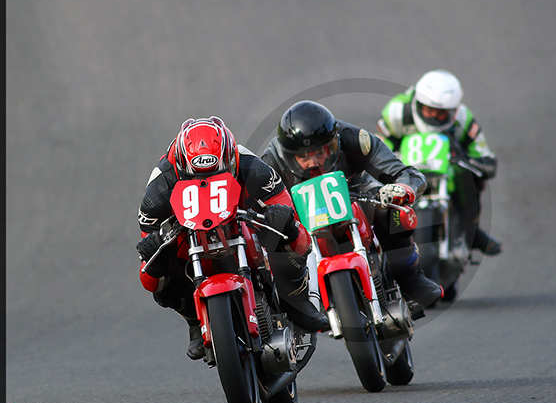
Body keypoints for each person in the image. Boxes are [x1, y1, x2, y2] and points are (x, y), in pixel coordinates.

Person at [136, 116, 329, 360]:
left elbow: (296, 226)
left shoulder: (253, 168)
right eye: (196, 176)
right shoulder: (159, 188)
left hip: (240, 216)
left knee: (290, 233)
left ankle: (296, 299)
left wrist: (283, 221)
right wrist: (156, 247)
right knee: (154, 275)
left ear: (230, 159)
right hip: (189, 234)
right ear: (181, 167)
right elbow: (147, 251)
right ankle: (194, 321)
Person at [261, 100, 443, 309]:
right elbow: (257, 204)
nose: (313, 163)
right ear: (289, 155)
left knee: (395, 214)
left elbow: (404, 172)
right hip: (300, 212)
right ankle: (295, 301)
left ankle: (410, 276)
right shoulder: (271, 161)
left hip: (357, 192)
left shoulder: (355, 140)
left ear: (333, 146)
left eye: (319, 152)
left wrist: (402, 188)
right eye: (303, 156)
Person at [376, 69, 502, 256]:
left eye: (442, 113)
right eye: (429, 110)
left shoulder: (464, 119)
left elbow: (483, 155)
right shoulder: (397, 113)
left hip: (447, 172)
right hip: (403, 171)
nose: (433, 116)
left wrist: (475, 163)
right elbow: (377, 147)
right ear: (417, 103)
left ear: (455, 110)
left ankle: (471, 229)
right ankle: (380, 235)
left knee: (473, 178)